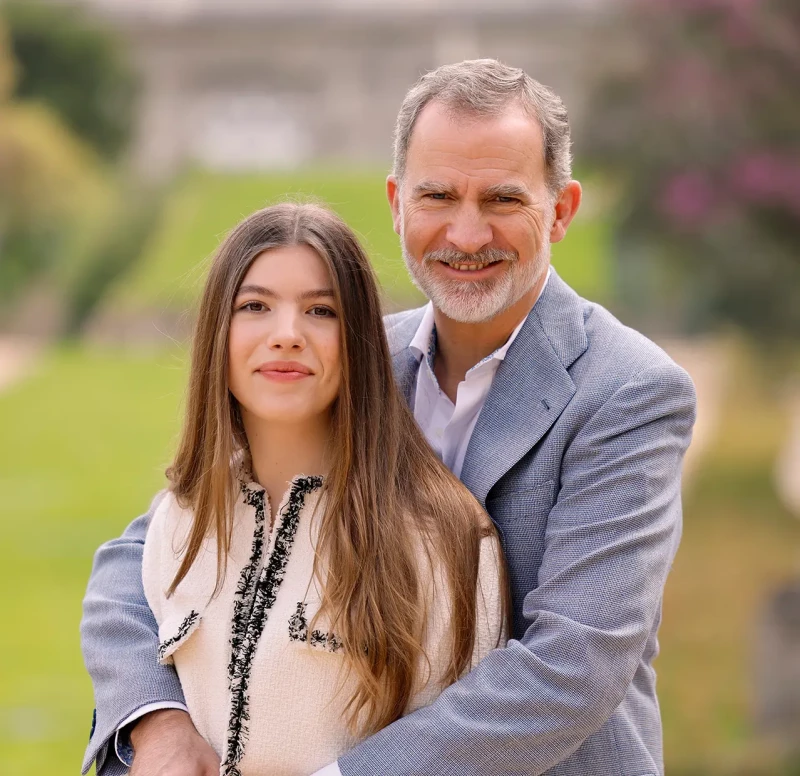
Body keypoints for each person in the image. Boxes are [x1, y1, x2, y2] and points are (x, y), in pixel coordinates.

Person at [81, 59, 697, 776]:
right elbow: (145, 551)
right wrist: (154, 724)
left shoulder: (629, 392)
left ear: (560, 210)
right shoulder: (357, 352)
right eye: (437, 196)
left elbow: (571, 668)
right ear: (397, 202)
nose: (466, 235)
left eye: (502, 199)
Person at [129, 202, 507, 776]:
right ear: (217, 335)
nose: (287, 336)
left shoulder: (445, 538)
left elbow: (465, 756)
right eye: (254, 306)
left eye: (320, 311)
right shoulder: (179, 519)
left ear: (357, 340)